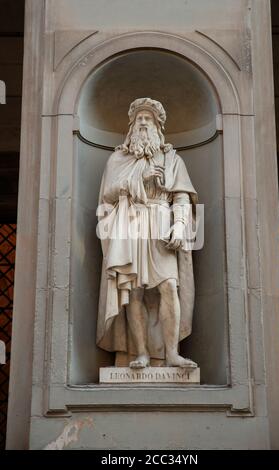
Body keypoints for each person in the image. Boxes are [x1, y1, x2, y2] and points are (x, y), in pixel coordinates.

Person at [96, 98, 198, 368]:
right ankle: (139, 352)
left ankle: (172, 353)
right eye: (139, 118)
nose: (143, 122)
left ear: (157, 127)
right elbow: (106, 194)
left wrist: (180, 224)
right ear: (131, 126)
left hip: (161, 223)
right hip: (131, 223)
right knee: (134, 291)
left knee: (169, 286)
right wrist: (138, 180)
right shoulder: (118, 158)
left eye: (148, 119)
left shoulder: (172, 158)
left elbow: (182, 197)